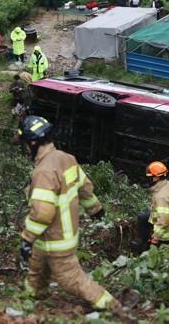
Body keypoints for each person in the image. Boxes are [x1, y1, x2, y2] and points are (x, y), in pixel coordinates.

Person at [17, 115, 133, 322]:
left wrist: (26, 238)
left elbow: (42, 213)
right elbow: (85, 187)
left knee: (72, 280)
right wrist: (96, 209)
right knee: (36, 270)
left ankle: (114, 308)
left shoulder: (43, 172)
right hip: (52, 238)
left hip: (57, 240)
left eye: (26, 145)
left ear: (33, 143)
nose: (26, 149)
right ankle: (31, 298)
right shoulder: (66, 158)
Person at [133, 161, 169, 251]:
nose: (149, 179)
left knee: (152, 251)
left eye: (150, 177)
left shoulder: (161, 197)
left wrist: (155, 237)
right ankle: (143, 240)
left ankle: (144, 248)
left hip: (167, 233)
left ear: (157, 177)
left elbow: (164, 221)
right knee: (143, 218)